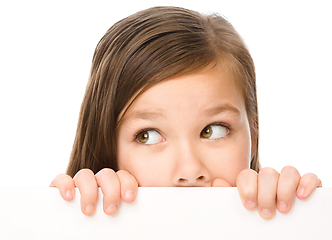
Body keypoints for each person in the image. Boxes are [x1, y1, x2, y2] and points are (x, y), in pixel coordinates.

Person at [50, 6, 322, 220]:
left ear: (253, 130)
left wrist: (304, 219)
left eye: (213, 130)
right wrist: (70, 221)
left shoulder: (290, 219)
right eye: (148, 136)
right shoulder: (80, 219)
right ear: (108, 148)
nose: (189, 172)